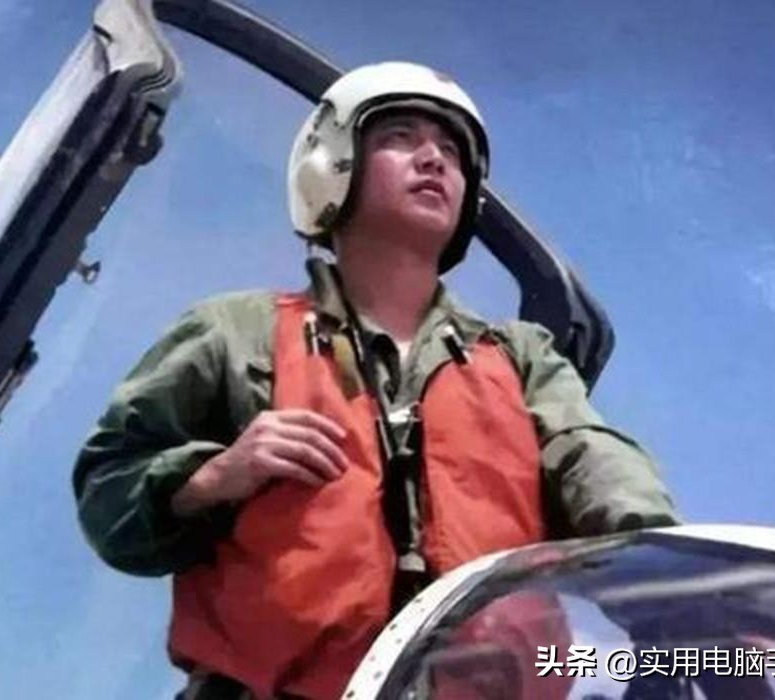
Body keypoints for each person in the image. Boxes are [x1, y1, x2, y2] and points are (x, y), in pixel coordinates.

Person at [73, 62, 678, 699]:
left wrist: (680, 582)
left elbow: (592, 460)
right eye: (401, 137)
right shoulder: (235, 333)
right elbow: (109, 494)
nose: (433, 159)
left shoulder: (520, 358)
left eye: (452, 152)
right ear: (331, 163)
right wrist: (217, 475)